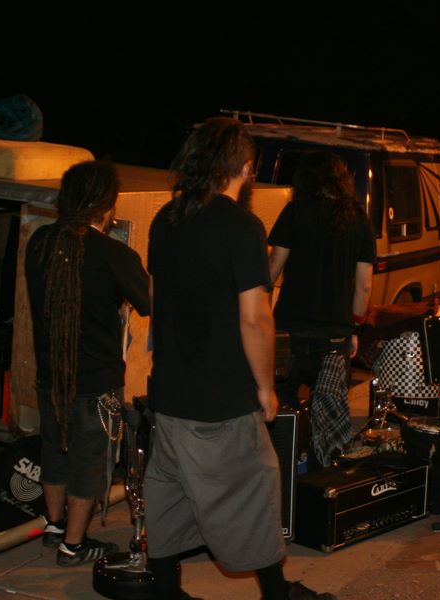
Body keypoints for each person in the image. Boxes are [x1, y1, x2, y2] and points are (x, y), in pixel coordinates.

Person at [145, 117, 334, 600]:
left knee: (169, 492)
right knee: (254, 488)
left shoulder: (165, 219)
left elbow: (156, 298)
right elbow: (255, 319)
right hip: (221, 397)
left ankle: (164, 588)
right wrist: (266, 387)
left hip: (168, 392)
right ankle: (277, 593)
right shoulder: (242, 227)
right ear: (246, 168)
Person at [25, 160, 151, 566]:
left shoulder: (40, 242)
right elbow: (149, 303)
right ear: (107, 205)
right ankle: (74, 546)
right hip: (96, 382)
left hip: (51, 376)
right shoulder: (115, 254)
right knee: (90, 461)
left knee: (54, 449)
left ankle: (55, 526)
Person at [268, 151, 375, 468]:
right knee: (327, 417)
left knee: (280, 410)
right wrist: (354, 327)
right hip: (334, 338)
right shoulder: (358, 220)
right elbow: (364, 286)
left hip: (289, 333)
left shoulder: (294, 212)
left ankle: (281, 475)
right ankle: (319, 479)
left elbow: (271, 270)